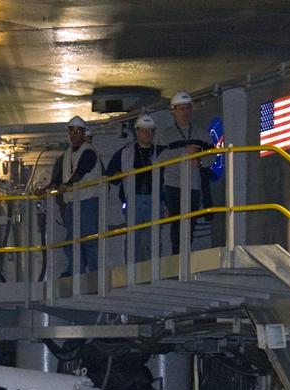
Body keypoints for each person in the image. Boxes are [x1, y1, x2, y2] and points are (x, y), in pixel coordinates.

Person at [47, 115, 101, 276]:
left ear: (83, 134)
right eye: (72, 132)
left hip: (87, 202)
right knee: (72, 241)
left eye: (78, 132)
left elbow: (80, 171)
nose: (74, 135)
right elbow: (59, 178)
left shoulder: (89, 152)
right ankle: (76, 272)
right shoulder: (67, 154)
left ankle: (94, 275)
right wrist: (47, 189)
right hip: (73, 203)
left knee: (89, 240)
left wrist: (68, 185)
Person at [106, 113, 161, 262]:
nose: (148, 134)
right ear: (137, 132)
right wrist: (119, 174)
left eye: (150, 130)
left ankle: (153, 272)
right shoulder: (126, 152)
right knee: (133, 240)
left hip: (154, 200)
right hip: (134, 200)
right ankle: (132, 272)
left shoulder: (159, 152)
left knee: (152, 239)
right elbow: (110, 174)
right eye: (144, 130)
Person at [161, 90, 211, 253]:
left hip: (194, 186)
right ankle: (177, 262)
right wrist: (184, 153)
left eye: (187, 108)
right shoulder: (165, 134)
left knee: (189, 226)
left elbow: (213, 154)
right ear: (173, 111)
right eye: (181, 109)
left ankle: (183, 260)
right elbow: (160, 157)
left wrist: (200, 161)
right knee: (177, 227)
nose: (185, 112)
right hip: (174, 186)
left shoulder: (201, 133)